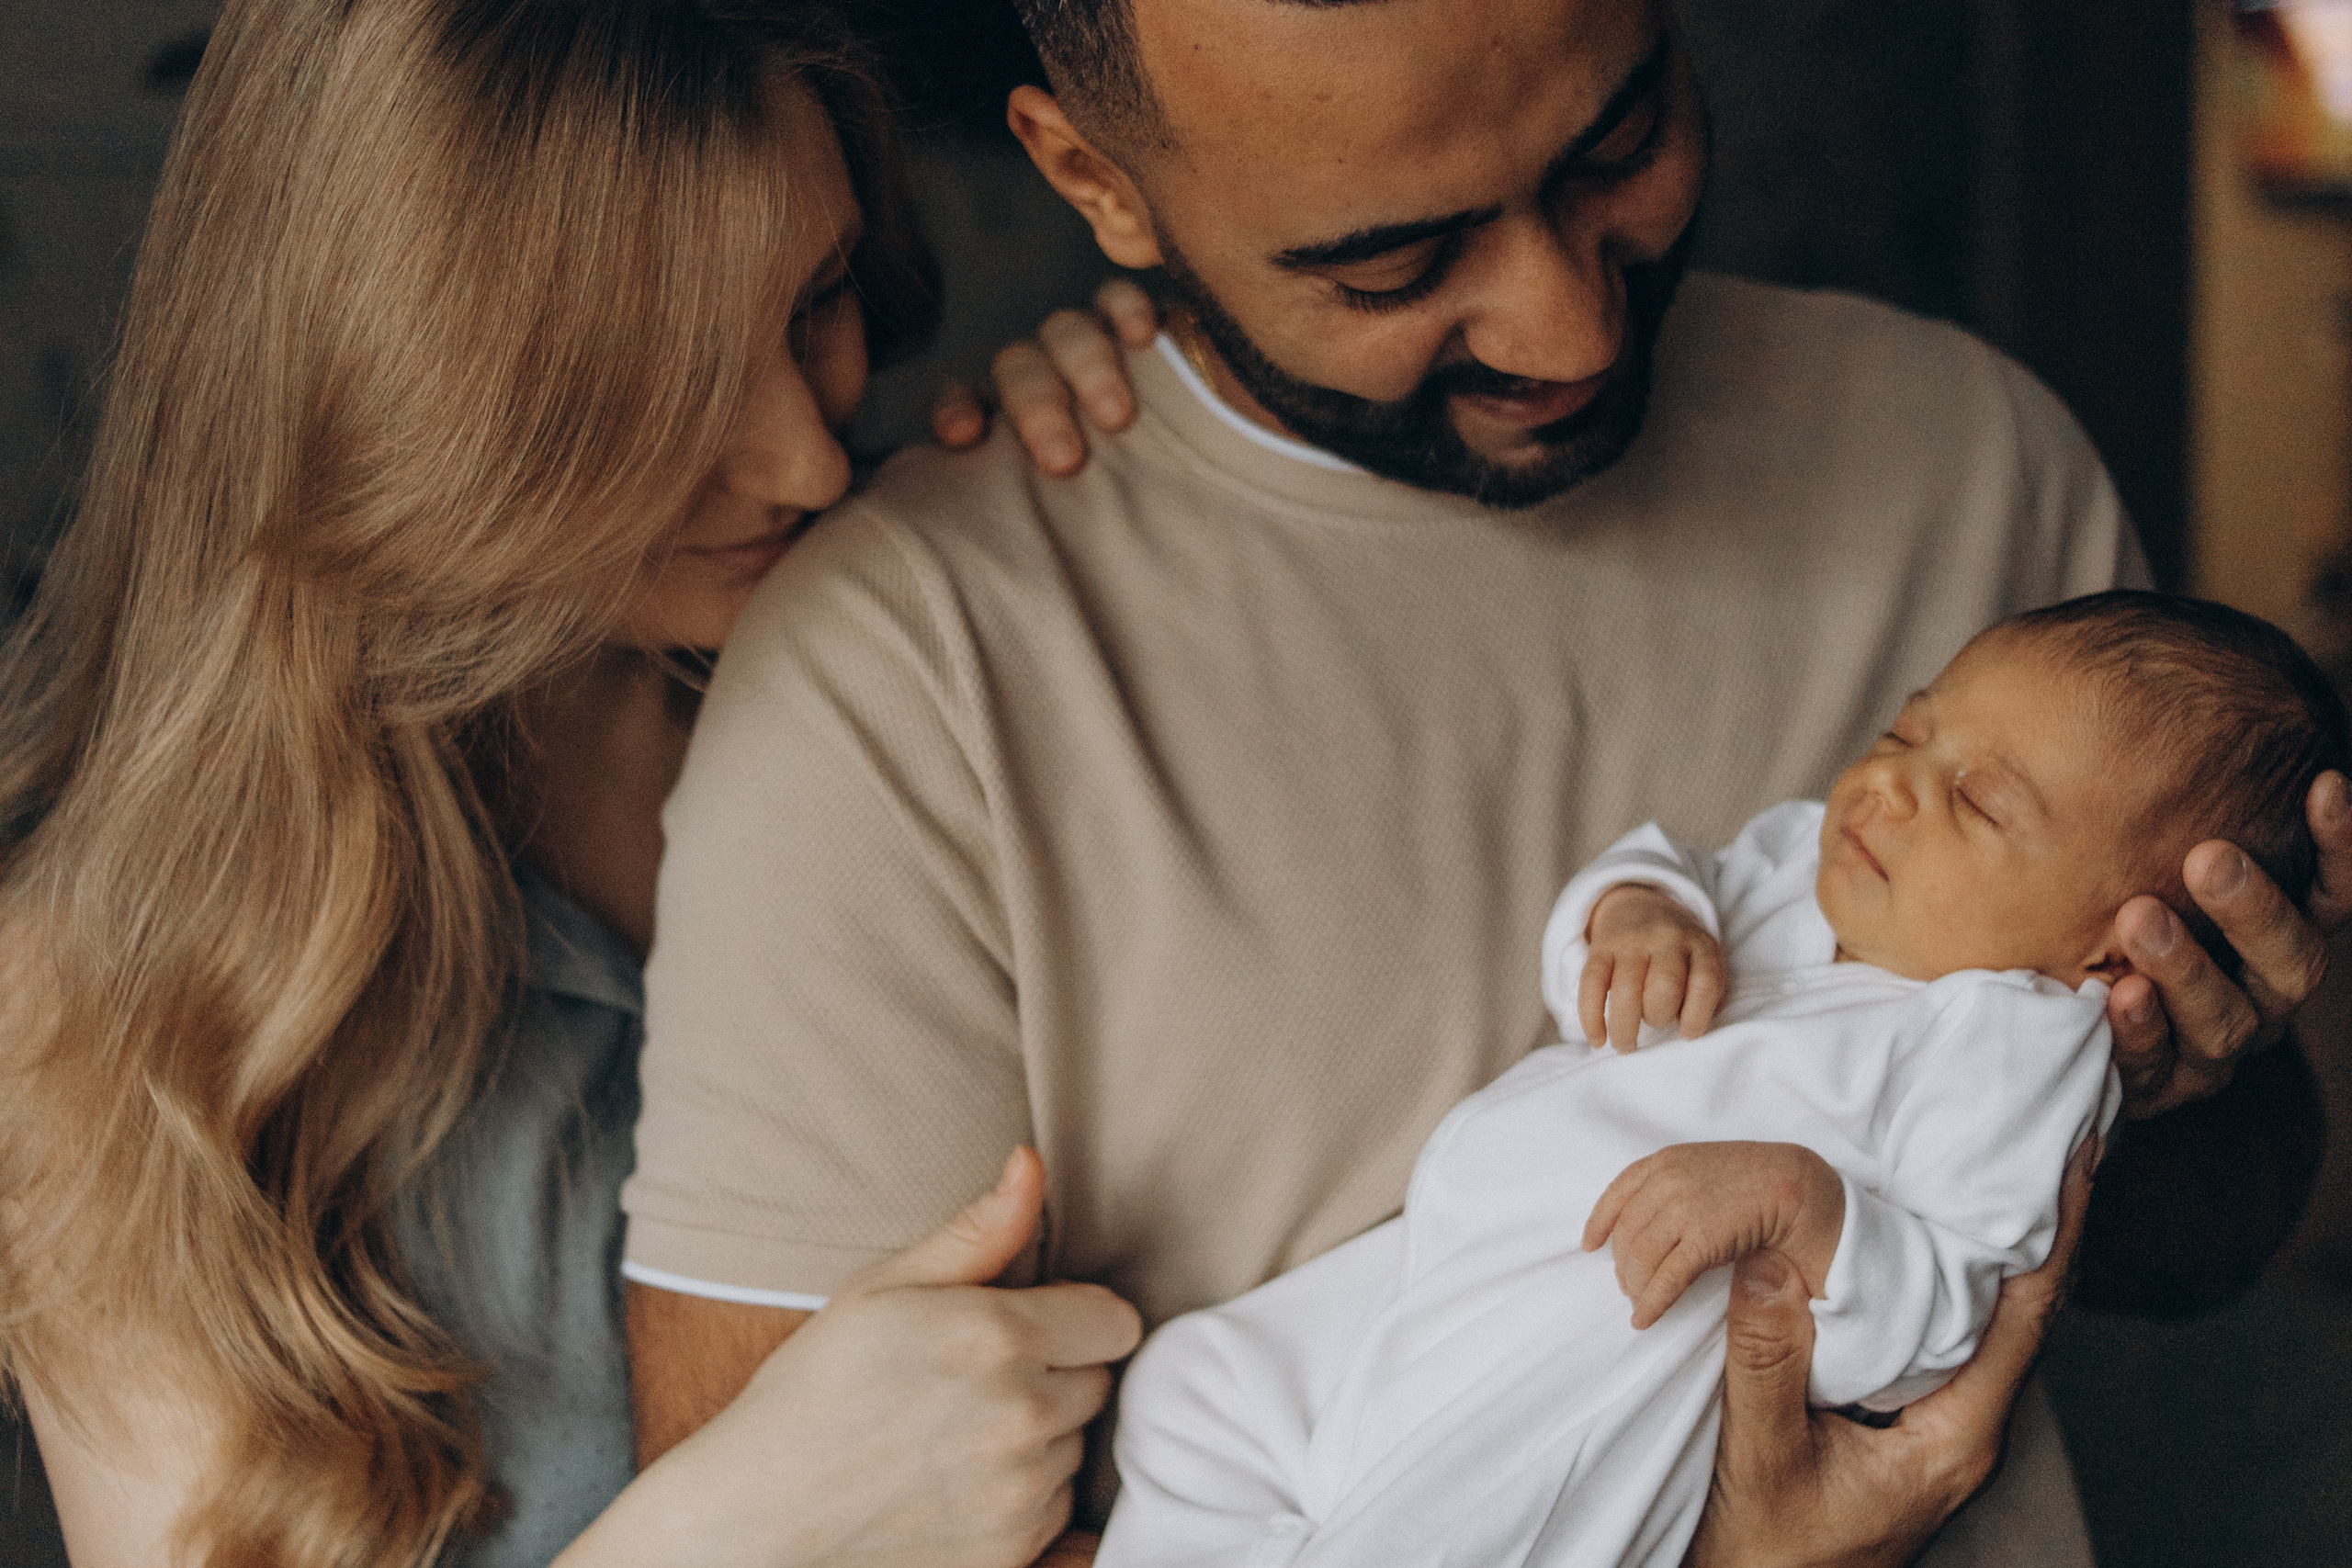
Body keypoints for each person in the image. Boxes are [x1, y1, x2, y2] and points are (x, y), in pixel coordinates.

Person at [623, 1, 2343, 1563]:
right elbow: (798, 1538)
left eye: (1618, 147)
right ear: (1100, 183)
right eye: (1392, 263)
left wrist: (2187, 1085)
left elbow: (2182, 1260)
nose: (1567, 324)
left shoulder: (1972, 457)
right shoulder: (898, 676)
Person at [0, 3, 1164, 1565]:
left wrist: (1145, 508)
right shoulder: (92, 1024)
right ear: (412, 392)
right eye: (663, 385)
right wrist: (755, 1517)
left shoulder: (939, 667)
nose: (806, 459)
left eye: (814, 302)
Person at [1097, 591, 2346, 1568]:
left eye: (1976, 799)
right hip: (1473, 1249)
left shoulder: (2015, 1044)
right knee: (1197, 1388)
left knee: (1448, 1530)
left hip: (1622, 1343)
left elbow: (1947, 1311)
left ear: (2114, 949)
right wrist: (1637, 912)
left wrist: (1814, 1209)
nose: (1893, 781)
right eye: (1909, 728)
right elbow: (1663, 868)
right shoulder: (1812, 863)